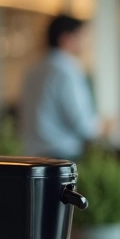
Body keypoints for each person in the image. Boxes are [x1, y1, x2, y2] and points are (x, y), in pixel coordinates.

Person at [19, 15, 101, 160]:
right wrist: (102, 127)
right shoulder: (67, 71)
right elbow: (81, 123)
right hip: (62, 154)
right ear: (66, 39)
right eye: (82, 37)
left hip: (33, 154)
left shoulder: (33, 70)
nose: (86, 43)